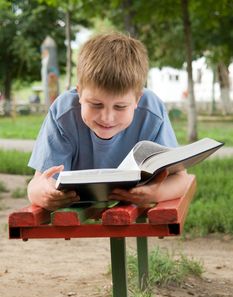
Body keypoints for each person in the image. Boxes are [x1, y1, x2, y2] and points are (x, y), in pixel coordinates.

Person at [27, 32, 189, 211]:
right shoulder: (63, 113)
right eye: (96, 104)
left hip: (134, 199)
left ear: (137, 100)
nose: (106, 117)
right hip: (78, 201)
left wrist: (155, 193)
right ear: (79, 93)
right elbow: (36, 185)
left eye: (120, 107)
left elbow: (181, 178)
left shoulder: (152, 111)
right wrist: (45, 195)